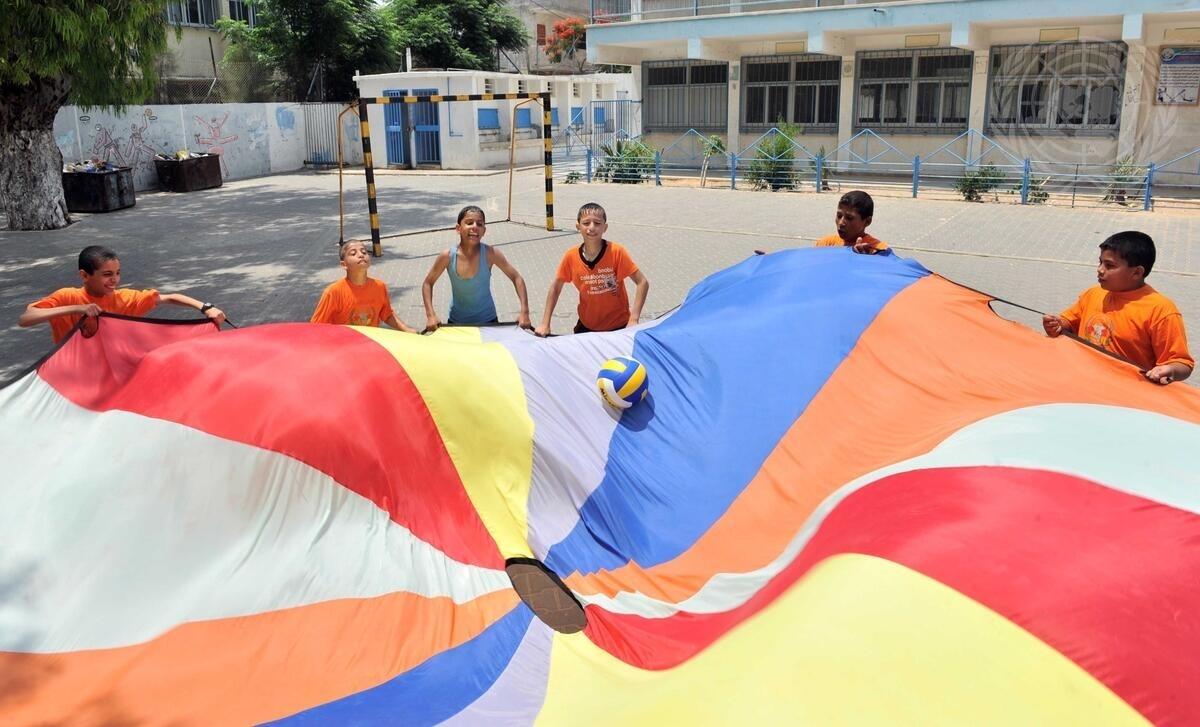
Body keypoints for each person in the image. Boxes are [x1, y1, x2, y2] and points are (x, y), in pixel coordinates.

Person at [1043, 231, 1193, 385]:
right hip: (1081, 382)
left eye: (1109, 265)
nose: (1100, 269)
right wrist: (1057, 324)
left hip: (1125, 395)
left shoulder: (1161, 310)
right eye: (1100, 262)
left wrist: (1170, 370)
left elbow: (1182, 363)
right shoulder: (1093, 293)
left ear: (1137, 272)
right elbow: (1068, 323)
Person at [19, 245, 226, 343]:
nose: (115, 280)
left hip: (115, 368)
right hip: (73, 373)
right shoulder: (68, 296)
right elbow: (26, 318)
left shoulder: (124, 298)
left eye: (117, 273)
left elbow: (169, 297)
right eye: (107, 274)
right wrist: (78, 309)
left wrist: (206, 308)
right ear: (84, 275)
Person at [535, 202, 649, 336]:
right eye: (586, 223)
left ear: (605, 227)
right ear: (578, 226)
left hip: (619, 326)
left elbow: (642, 283)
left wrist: (633, 319)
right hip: (587, 326)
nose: (592, 227)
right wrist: (545, 323)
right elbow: (555, 288)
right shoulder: (571, 256)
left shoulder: (616, 252)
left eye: (597, 223)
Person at [421, 206, 532, 331]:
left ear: (484, 231)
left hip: (489, 322)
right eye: (469, 223)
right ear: (458, 228)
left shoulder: (491, 254)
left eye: (479, 224)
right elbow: (427, 283)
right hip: (456, 323)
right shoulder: (447, 257)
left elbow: (517, 278)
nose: (474, 227)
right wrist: (430, 315)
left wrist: (525, 312)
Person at [310, 239, 416, 332]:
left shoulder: (379, 286)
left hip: (370, 344)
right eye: (353, 253)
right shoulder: (333, 292)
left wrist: (407, 330)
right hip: (343, 347)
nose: (361, 255)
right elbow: (317, 327)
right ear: (343, 264)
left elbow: (387, 315)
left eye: (364, 252)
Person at [814, 190, 889, 254]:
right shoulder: (825, 245)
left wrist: (867, 259)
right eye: (839, 216)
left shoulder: (877, 251)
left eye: (849, 218)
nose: (841, 223)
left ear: (867, 221)